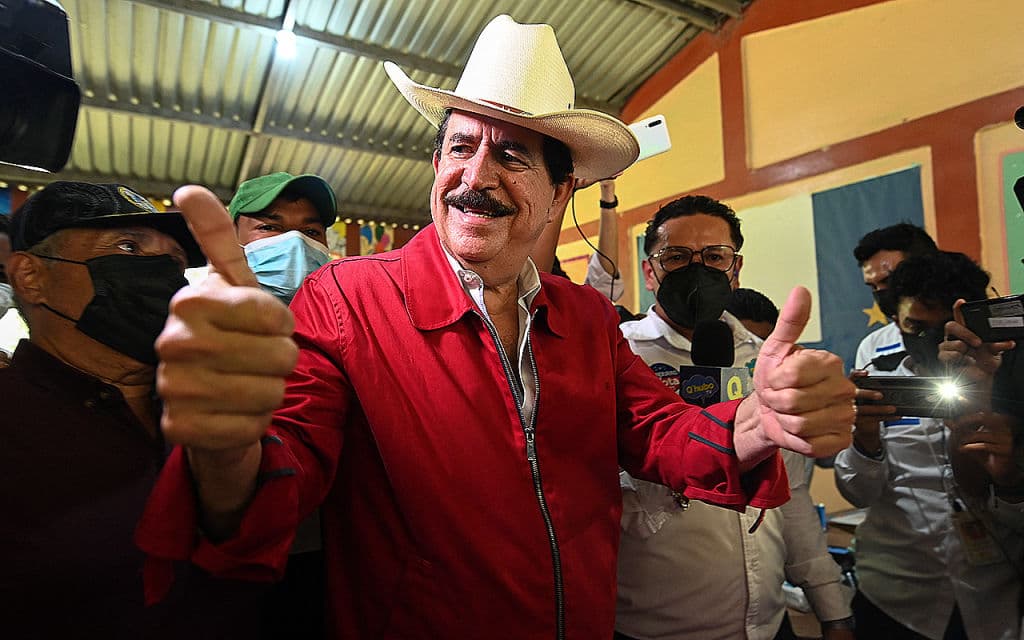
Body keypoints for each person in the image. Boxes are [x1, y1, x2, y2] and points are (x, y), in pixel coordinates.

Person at [135, 15, 854, 639]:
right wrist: (225, 445)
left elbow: (659, 432)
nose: (476, 175)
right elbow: (279, 480)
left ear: (558, 192)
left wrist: (759, 423)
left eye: (511, 155)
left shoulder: (586, 318)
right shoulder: (345, 299)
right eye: (459, 147)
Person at [0, 181, 263, 638]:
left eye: (177, 262)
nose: (163, 271)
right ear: (30, 276)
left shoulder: (214, 405)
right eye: (128, 246)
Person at [614, 196, 853, 640]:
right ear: (650, 272)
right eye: (677, 257)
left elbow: (793, 494)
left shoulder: (767, 361)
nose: (697, 269)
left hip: (769, 624)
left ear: (735, 267)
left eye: (714, 257)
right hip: (654, 627)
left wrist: (832, 607)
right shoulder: (617, 358)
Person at [835, 251, 1022, 640]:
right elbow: (859, 493)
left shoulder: (1010, 383)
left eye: (941, 330)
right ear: (895, 320)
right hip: (896, 595)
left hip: (994, 599)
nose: (926, 343)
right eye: (913, 327)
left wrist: (1008, 476)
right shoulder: (880, 377)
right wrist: (865, 441)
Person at [226, 171, 338, 639]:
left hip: (327, 558)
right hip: (231, 563)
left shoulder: (343, 329)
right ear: (233, 239)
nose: (294, 243)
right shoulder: (198, 325)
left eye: (311, 232)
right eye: (270, 227)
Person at [852, 223, 937, 370]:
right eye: (873, 287)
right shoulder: (873, 346)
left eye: (889, 280)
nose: (881, 293)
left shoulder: (971, 336)